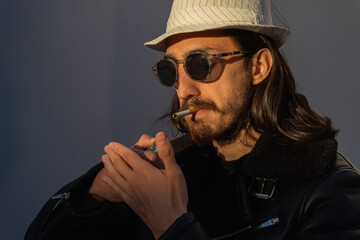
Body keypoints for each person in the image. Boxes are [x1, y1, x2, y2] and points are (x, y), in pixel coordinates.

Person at [25, 0, 360, 239]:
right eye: (171, 69)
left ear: (258, 67)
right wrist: (94, 196)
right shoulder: (172, 174)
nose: (183, 89)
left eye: (201, 64)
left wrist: (171, 225)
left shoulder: (331, 193)